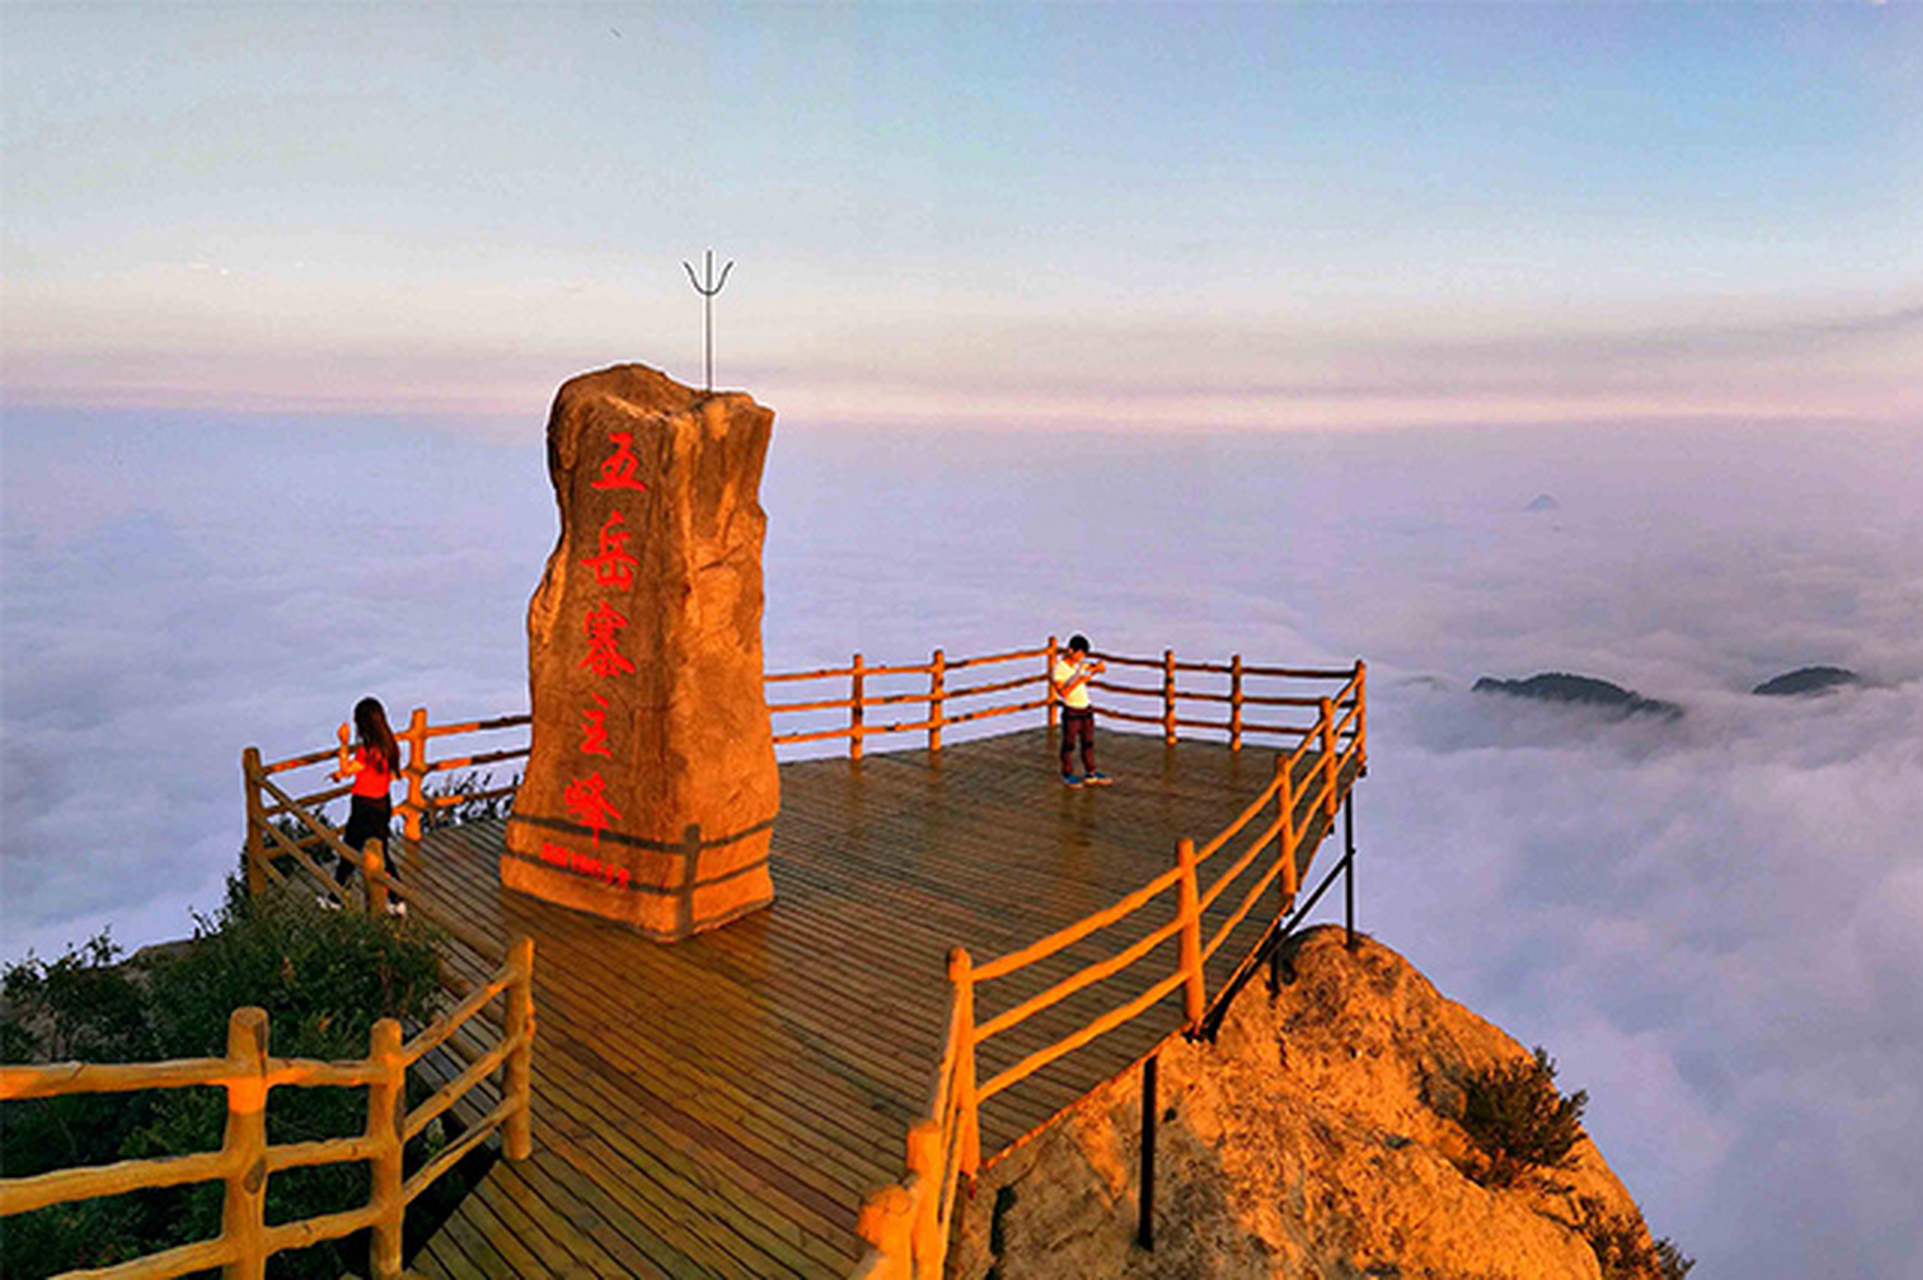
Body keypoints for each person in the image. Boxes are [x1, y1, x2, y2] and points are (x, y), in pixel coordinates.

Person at [330, 696, 402, 908]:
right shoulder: (389, 746)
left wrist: (343, 742)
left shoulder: (367, 751)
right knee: (382, 851)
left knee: (350, 850)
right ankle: (397, 899)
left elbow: (346, 770)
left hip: (363, 805)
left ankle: (336, 898)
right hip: (383, 802)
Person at [1052, 634, 1112, 787]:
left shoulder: (1079, 665)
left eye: (1084, 655)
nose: (1081, 658)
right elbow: (1062, 692)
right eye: (1080, 654)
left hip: (1085, 708)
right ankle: (1067, 773)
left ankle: (1090, 772)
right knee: (1069, 743)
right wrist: (1078, 681)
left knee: (1088, 742)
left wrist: (1098, 668)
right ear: (1071, 651)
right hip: (1071, 710)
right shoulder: (1059, 668)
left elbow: (1093, 668)